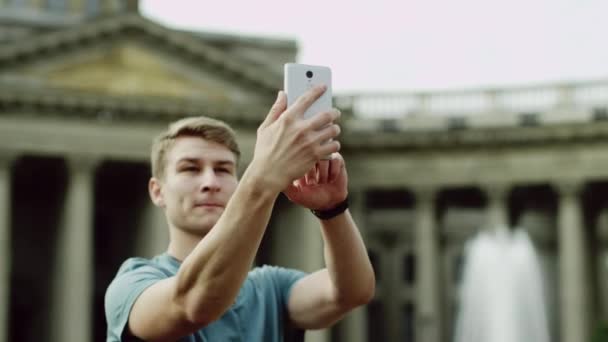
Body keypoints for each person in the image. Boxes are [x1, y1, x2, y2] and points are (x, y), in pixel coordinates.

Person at [104, 85, 375, 341]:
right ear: (157, 191)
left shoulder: (270, 287)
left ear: (237, 184)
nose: (209, 182)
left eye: (223, 169)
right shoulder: (132, 284)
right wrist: (263, 177)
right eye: (190, 168)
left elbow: (351, 293)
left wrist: (333, 209)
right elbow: (192, 303)